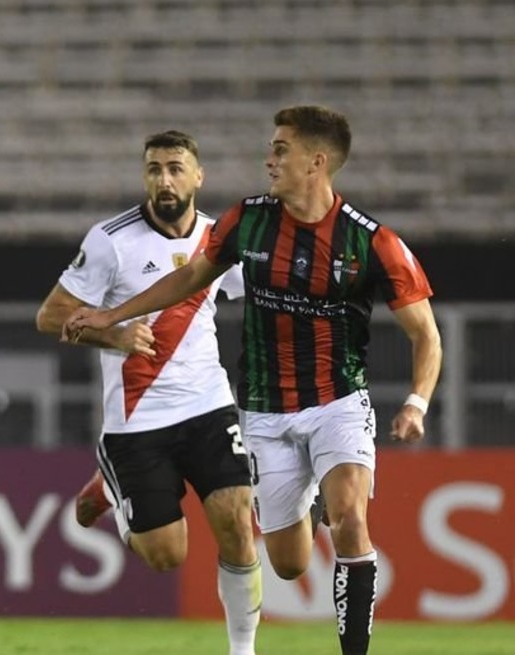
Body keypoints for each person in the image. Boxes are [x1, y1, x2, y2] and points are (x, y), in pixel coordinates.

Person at [70, 106, 442, 655]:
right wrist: (110, 316)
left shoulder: (372, 242)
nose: (269, 159)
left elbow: (426, 334)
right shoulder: (249, 220)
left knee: (349, 522)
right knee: (289, 564)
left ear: (316, 163)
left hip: (340, 400)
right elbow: (192, 276)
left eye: (281, 150)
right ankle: (303, 495)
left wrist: (417, 401)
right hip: (267, 410)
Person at [37, 130, 261, 655]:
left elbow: (254, 292)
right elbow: (50, 316)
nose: (165, 179)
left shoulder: (219, 238)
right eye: (155, 168)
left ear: (198, 176)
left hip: (209, 406)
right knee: (166, 555)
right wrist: (113, 334)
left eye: (176, 168)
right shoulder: (111, 240)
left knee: (236, 519)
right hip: (137, 422)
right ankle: (111, 488)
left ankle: (243, 650)